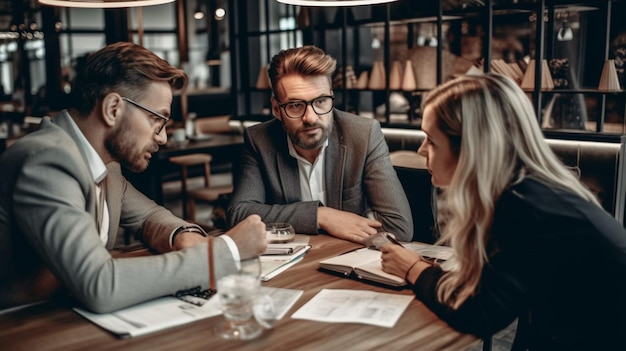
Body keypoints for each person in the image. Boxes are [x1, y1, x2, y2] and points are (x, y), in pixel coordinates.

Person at [0, 42, 266, 313]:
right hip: (22, 326)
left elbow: (149, 216)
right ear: (113, 108)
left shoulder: (105, 164)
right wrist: (226, 251)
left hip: (67, 315)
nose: (162, 137)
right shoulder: (47, 161)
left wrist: (183, 236)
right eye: (157, 120)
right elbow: (99, 284)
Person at [380, 74, 626, 350]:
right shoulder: (533, 192)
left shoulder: (527, 208)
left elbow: (479, 313)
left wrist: (412, 268)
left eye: (432, 140)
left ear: (471, 148)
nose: (422, 149)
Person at [226, 45, 413, 243]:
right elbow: (239, 214)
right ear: (276, 109)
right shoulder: (259, 140)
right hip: (292, 267)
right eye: (296, 105)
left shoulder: (363, 135)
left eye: (321, 101)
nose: (311, 117)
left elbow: (399, 227)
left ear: (331, 95)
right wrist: (321, 216)